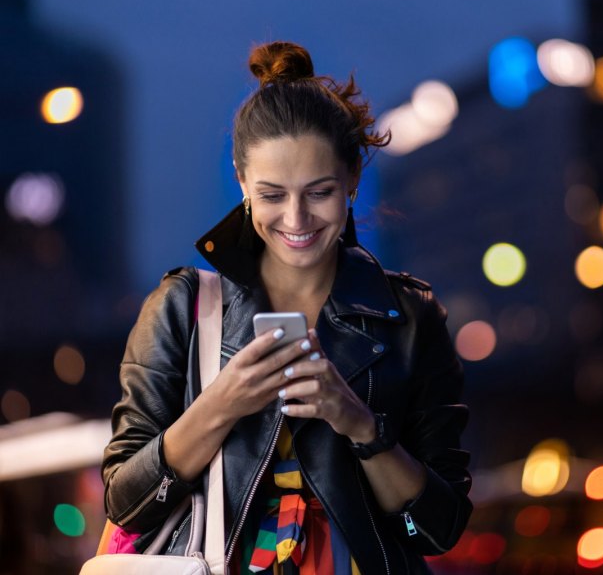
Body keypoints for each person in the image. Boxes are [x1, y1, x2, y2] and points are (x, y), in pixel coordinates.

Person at [101, 41, 472, 574]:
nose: (296, 219)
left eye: (318, 192)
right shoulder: (184, 308)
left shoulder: (410, 318)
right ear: (242, 182)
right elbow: (126, 505)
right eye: (272, 195)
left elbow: (437, 530)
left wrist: (360, 424)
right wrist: (219, 404)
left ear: (351, 182)